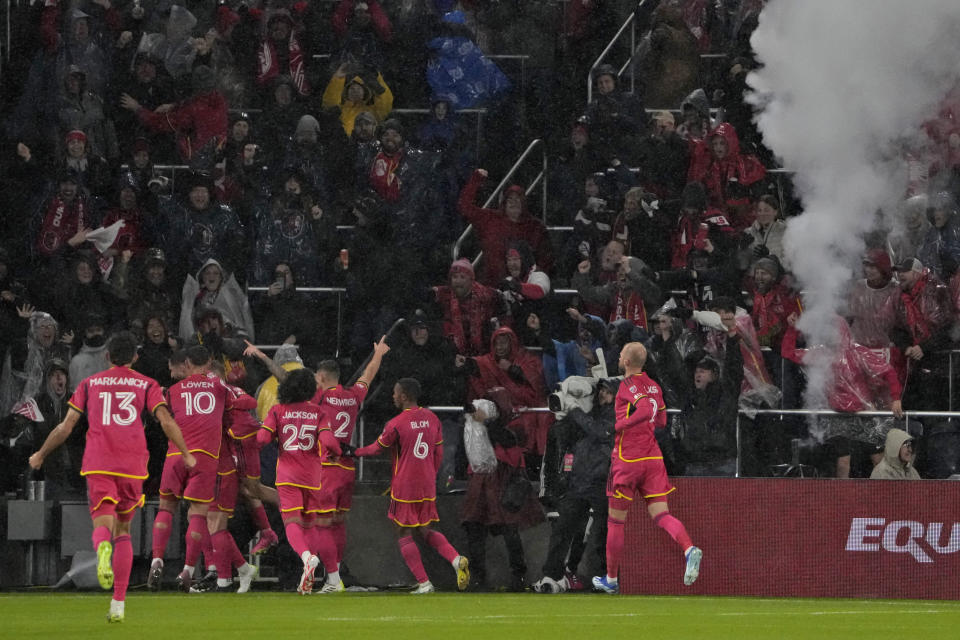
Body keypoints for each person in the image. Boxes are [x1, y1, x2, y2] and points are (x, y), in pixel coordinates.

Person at [28, 331, 195, 623]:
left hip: (99, 462)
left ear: (107, 356)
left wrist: (40, 454)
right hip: (132, 465)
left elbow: (66, 427)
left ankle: (101, 547)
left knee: (103, 524)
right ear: (135, 357)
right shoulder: (147, 384)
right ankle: (118, 604)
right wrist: (185, 452)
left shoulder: (90, 384)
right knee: (124, 532)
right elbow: (166, 420)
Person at [593, 342, 701, 594]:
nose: (618, 356)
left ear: (628, 362)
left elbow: (643, 410)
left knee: (616, 522)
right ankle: (688, 548)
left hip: (627, 459)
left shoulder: (628, 384)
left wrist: (618, 426)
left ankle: (611, 579)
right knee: (661, 515)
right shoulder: (654, 385)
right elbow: (661, 419)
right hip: (652, 458)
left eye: (621, 354)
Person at [352, 377, 470, 593]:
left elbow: (374, 449)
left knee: (403, 532)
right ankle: (455, 559)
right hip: (427, 485)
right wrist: (430, 475)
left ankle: (424, 583)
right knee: (426, 529)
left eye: (396, 393)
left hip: (405, 485)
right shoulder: (432, 418)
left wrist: (352, 452)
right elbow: (439, 453)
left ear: (404, 396)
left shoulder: (396, 424)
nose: (393, 396)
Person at [146, 345, 242, 592]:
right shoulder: (220, 387)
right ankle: (187, 570)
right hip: (205, 458)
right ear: (208, 363)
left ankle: (156, 558)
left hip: (176, 454)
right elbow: (247, 402)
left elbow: (161, 419)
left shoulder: (173, 390)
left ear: (187, 364)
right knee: (198, 515)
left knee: (166, 508)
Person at [258, 368, 345, 594]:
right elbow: (330, 442)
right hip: (313, 476)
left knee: (291, 522)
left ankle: (307, 558)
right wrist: (336, 453)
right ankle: (313, 567)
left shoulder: (277, 411)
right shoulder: (318, 413)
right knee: (310, 524)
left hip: (288, 475)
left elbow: (263, 439)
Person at [311, 337, 390, 567]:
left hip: (327, 465)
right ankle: (338, 572)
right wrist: (378, 354)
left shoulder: (320, 397)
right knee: (338, 521)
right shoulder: (353, 395)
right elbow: (369, 375)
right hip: (347, 467)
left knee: (322, 523)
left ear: (322, 377)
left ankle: (331, 575)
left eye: (316, 376)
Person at [458, 168, 554, 285]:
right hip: (491, 286)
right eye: (510, 199)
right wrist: (476, 180)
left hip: (524, 290)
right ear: (504, 202)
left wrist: (535, 283)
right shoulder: (490, 219)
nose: (514, 202)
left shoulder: (536, 227)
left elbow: (546, 260)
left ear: (524, 203)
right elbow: (465, 206)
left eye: (518, 199)